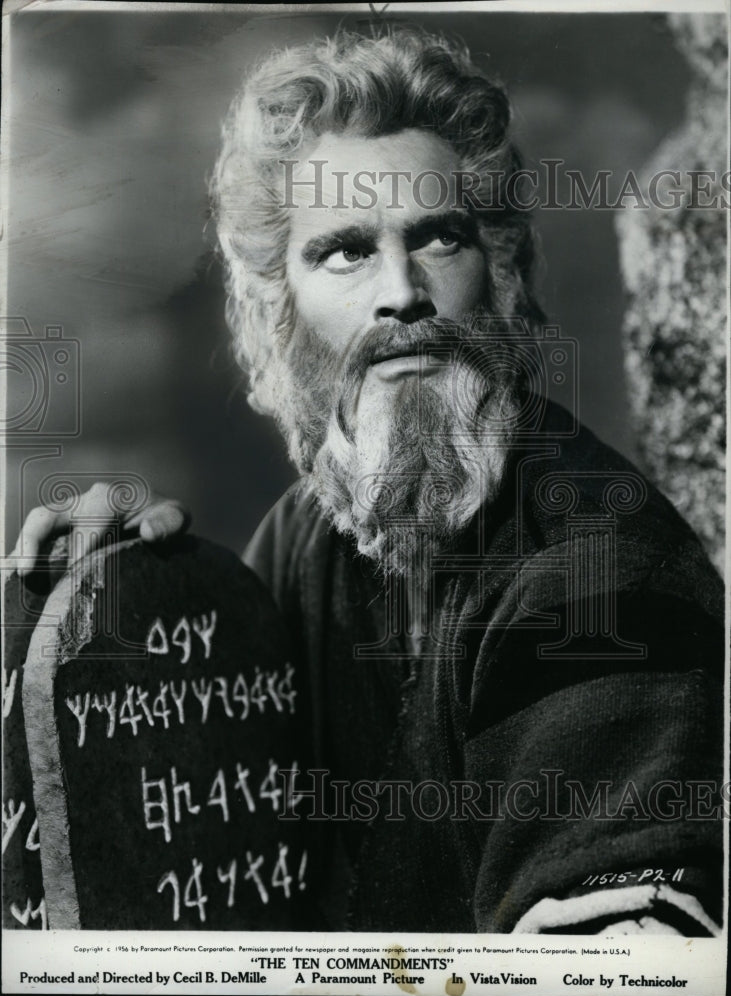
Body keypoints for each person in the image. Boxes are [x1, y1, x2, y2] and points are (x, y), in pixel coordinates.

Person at [11, 28, 724, 935]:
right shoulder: (304, 538)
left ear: (500, 277)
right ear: (280, 314)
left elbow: (618, 968)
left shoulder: (601, 579)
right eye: (345, 249)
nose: (401, 292)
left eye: (438, 239)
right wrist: (134, 592)